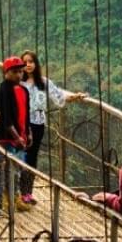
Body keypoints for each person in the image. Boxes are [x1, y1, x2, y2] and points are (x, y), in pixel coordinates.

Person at [19, 50, 86, 205]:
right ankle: (16, 192)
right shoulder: (19, 82)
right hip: (21, 123)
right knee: (19, 156)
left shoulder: (43, 82)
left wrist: (75, 96)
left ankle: (27, 192)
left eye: (31, 61)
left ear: (36, 64)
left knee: (31, 157)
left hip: (37, 124)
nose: (28, 65)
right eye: (25, 62)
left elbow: (59, 96)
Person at [0, 57, 31, 213]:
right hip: (7, 137)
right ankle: (6, 200)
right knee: (8, 170)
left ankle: (16, 198)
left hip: (20, 136)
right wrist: (17, 137)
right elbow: (6, 119)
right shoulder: (2, 92)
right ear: (6, 73)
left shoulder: (24, 90)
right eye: (15, 72)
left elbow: (26, 114)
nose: (19, 75)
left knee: (17, 170)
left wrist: (28, 132)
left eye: (21, 72)